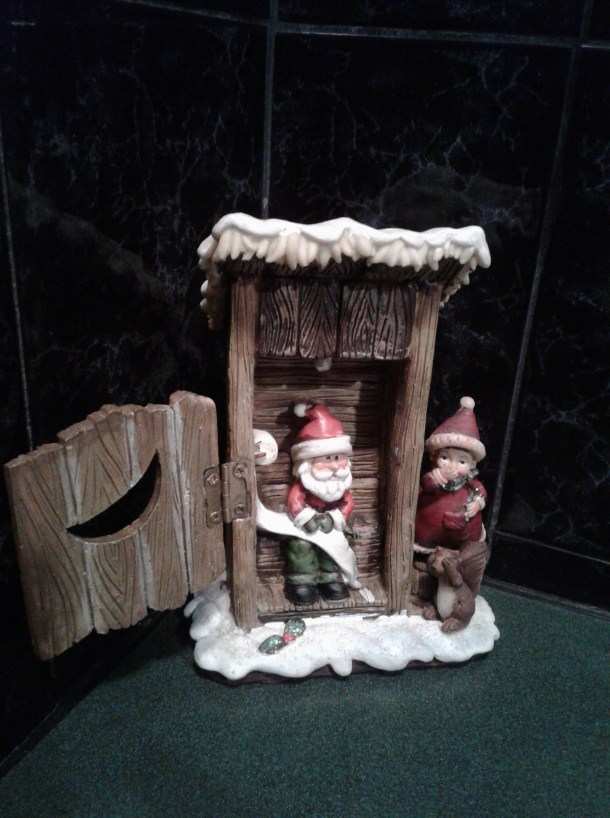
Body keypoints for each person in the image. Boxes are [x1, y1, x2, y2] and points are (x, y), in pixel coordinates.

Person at [284, 403, 355, 605]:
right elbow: (295, 501)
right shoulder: (304, 485)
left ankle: (330, 578)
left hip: (331, 523)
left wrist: (335, 517)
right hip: (307, 524)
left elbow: (347, 503)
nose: (334, 466)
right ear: (307, 463)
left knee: (334, 546)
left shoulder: (341, 486)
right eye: (327, 459)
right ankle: (302, 581)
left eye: (338, 458)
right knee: (301, 546)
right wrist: (307, 518)